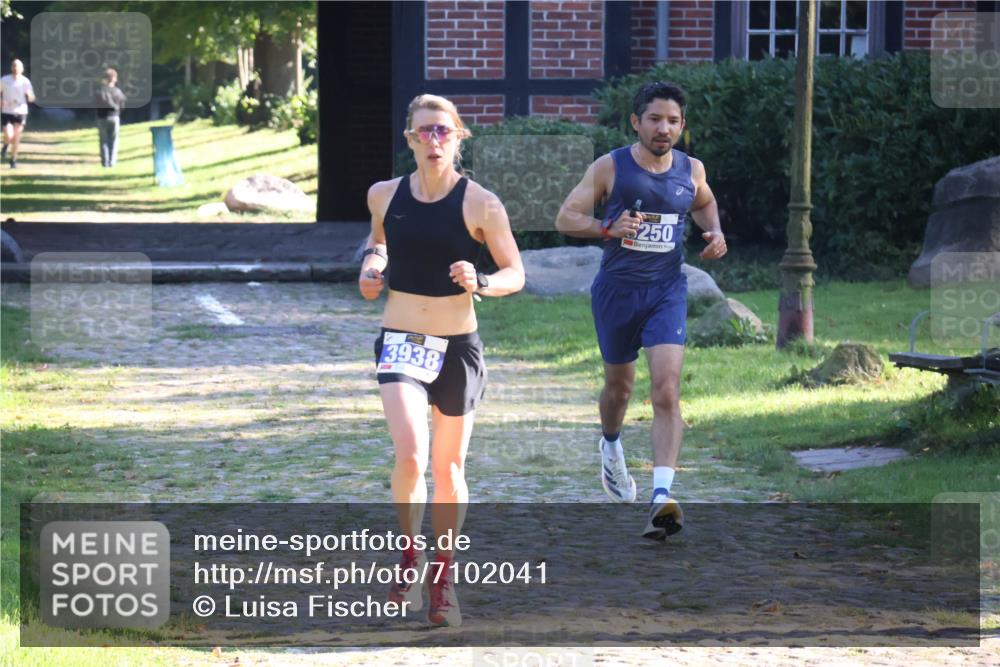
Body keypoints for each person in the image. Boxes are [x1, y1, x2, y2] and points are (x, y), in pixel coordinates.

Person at [359, 94, 524, 626]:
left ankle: (444, 575)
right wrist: (372, 266)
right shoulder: (383, 195)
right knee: (411, 455)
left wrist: (483, 282)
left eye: (443, 132)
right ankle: (410, 556)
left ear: (459, 139)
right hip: (402, 340)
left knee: (449, 468)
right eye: (424, 132)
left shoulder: (482, 204)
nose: (434, 141)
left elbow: (515, 272)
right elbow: (379, 243)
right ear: (409, 139)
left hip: (457, 347)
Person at [555, 81, 726, 540]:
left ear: (682, 125)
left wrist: (715, 233)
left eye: (673, 121)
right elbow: (565, 217)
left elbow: (705, 203)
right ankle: (610, 446)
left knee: (666, 392)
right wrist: (606, 227)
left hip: (666, 291)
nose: (663, 128)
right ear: (636, 122)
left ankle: (661, 499)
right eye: (654, 119)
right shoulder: (612, 166)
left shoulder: (691, 170)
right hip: (616, 292)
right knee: (619, 386)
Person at [0, 59, 36, 169]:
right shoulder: (4, 80)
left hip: (21, 111)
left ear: (22, 69)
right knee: (9, 135)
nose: (16, 68)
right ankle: (6, 145)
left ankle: (13, 160)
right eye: (14, 66)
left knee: (16, 137)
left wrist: (30, 96)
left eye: (18, 66)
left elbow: (32, 98)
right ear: (11, 68)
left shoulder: (25, 81)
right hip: (7, 111)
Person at [94, 68, 127, 167]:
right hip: (114, 117)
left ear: (104, 79)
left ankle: (105, 162)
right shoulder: (118, 92)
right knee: (114, 140)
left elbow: (95, 104)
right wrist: (118, 112)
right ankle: (112, 162)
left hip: (102, 117)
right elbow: (122, 105)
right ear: (114, 79)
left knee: (103, 141)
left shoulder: (99, 91)